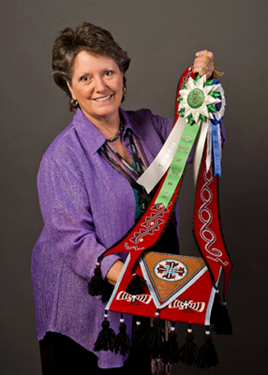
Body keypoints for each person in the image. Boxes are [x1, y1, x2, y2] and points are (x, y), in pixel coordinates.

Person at [31, 22, 217, 375]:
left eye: (108, 72)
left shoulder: (150, 127)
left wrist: (201, 89)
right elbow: (75, 242)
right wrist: (140, 283)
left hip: (144, 289)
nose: (101, 86)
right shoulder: (61, 158)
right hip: (86, 309)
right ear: (69, 87)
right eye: (86, 78)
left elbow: (200, 148)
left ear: (122, 76)